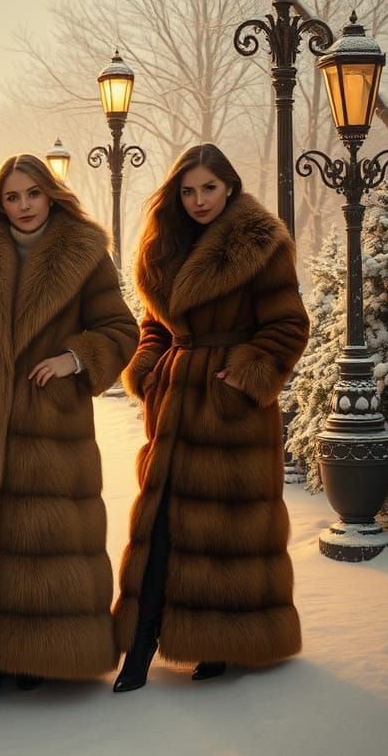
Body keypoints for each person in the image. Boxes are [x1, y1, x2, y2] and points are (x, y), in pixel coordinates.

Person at [112, 143, 309, 692]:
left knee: (220, 531)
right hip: (174, 404)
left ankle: (220, 640)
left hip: (228, 414)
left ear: (230, 188)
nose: (199, 200)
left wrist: (244, 376)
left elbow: (289, 325)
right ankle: (140, 645)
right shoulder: (162, 246)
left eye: (209, 188)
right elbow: (155, 324)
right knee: (161, 526)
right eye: (189, 190)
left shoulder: (260, 246)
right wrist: (149, 368)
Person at [0, 154, 138, 701]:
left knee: (43, 541)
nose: (23, 206)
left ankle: (37, 652)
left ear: (50, 193)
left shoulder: (83, 251)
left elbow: (118, 328)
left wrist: (74, 359)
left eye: (32, 193)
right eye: (12, 196)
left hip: (50, 418)